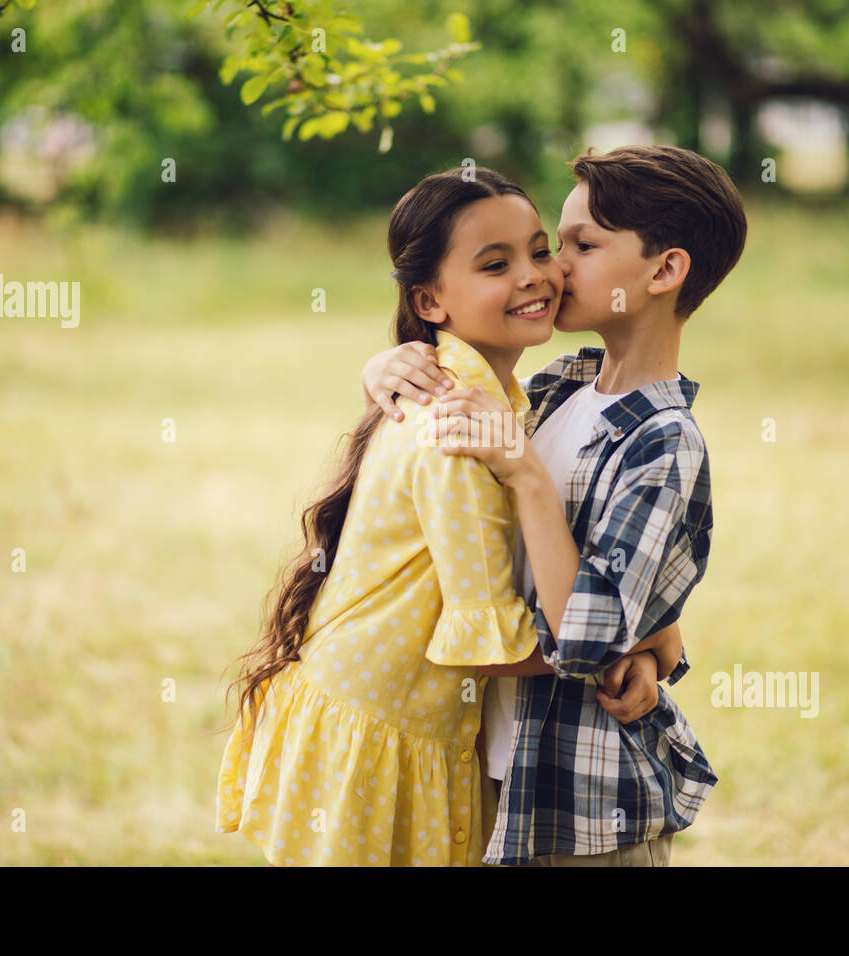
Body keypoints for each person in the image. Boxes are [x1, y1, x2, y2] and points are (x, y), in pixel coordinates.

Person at [216, 165, 676, 866]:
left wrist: (658, 633)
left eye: (541, 248)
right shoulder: (459, 432)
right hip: (379, 735)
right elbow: (489, 645)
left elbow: (602, 534)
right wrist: (628, 651)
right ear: (431, 301)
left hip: (407, 725)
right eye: (497, 264)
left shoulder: (522, 397)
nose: (536, 276)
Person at [360, 145, 747, 865]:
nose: (554, 268)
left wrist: (526, 475)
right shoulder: (558, 386)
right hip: (500, 776)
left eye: (581, 245)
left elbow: (584, 638)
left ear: (663, 271)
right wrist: (385, 363)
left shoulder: (665, 445)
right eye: (554, 244)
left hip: (583, 809)